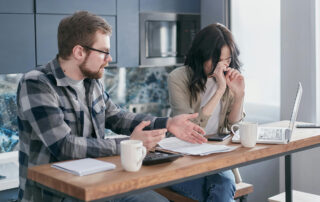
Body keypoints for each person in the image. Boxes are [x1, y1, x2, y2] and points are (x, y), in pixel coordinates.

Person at [17, 11, 207, 202]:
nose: (109, 58)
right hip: (55, 195)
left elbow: (117, 117)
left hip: (97, 184)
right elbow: (64, 146)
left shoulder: (91, 81)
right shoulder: (37, 83)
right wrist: (129, 145)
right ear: (79, 52)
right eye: (104, 52)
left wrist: (168, 123)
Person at [167, 23, 245, 202]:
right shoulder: (178, 78)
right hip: (183, 158)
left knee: (223, 185)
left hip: (215, 158)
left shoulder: (228, 78)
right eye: (216, 60)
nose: (222, 66)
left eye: (226, 60)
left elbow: (234, 128)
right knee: (220, 192)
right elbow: (189, 130)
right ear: (201, 54)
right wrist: (219, 90)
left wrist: (239, 95)